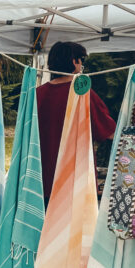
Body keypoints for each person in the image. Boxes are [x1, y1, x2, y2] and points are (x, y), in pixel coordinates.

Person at [36, 41, 116, 204]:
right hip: (75, 181)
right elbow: (108, 132)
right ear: (74, 61)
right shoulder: (83, 94)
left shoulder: (37, 94)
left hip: (39, 179)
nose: (82, 65)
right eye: (81, 60)